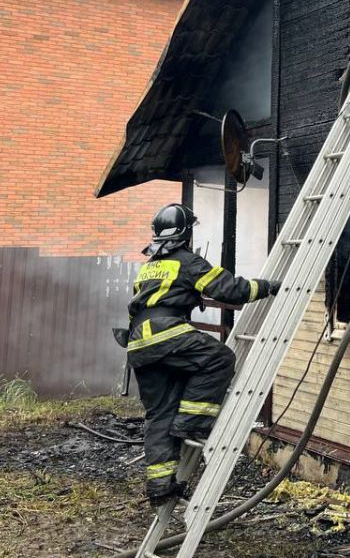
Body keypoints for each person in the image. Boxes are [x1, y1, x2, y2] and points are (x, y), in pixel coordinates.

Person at [119, 203, 280, 505]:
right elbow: (232, 290)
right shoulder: (187, 262)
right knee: (220, 358)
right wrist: (269, 286)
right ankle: (192, 423)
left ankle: (160, 487)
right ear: (185, 234)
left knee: (159, 415)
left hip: (139, 344)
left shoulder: (149, 266)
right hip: (166, 333)